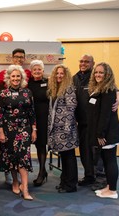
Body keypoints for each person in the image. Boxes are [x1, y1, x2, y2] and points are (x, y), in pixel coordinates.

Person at [73, 54, 119, 188]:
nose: (83, 63)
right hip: (82, 122)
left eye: (87, 62)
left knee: (98, 153)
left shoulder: (99, 79)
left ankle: (101, 179)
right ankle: (89, 175)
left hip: (96, 124)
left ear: (92, 63)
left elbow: (113, 89)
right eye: (81, 61)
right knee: (85, 152)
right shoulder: (75, 78)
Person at [0, 65, 36, 200]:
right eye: (13, 76)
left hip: (24, 128)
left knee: (23, 156)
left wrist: (34, 129)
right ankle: (15, 181)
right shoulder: (2, 94)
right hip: (8, 129)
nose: (15, 78)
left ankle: (25, 188)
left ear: (22, 78)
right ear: (9, 78)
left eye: (18, 76)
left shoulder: (28, 92)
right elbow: (0, 115)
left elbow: (32, 113)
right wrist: (0, 132)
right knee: (12, 156)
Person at [0, 48, 32, 184]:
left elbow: (38, 77)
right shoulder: (5, 73)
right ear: (12, 58)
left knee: (22, 153)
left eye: (22, 57)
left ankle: (24, 182)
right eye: (17, 57)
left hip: (24, 119)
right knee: (9, 152)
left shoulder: (28, 73)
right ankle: (12, 177)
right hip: (8, 119)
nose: (19, 59)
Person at [87, 62, 119, 199]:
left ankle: (112, 191)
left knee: (110, 160)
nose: (98, 75)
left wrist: (100, 134)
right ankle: (109, 186)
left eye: (101, 72)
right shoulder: (100, 88)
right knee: (106, 160)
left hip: (108, 133)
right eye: (96, 72)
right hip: (104, 132)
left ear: (107, 75)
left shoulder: (108, 90)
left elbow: (105, 115)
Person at [47, 64, 79, 193]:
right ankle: (64, 181)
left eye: (62, 74)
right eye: (57, 73)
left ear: (66, 76)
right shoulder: (55, 89)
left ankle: (71, 185)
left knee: (69, 157)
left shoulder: (69, 88)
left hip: (66, 129)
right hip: (57, 130)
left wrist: (67, 129)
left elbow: (71, 109)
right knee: (64, 157)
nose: (59, 75)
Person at [28, 60, 49, 186]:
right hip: (31, 118)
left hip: (44, 118)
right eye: (34, 69)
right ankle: (43, 170)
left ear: (43, 70)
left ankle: (41, 172)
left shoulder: (48, 83)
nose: (37, 71)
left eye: (39, 69)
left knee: (41, 145)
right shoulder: (27, 84)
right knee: (36, 144)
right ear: (31, 71)